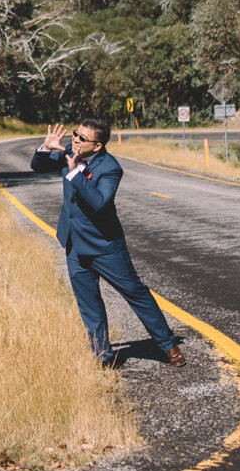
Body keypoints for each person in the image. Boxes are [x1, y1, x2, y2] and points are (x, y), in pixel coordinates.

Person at [33, 118, 185, 369]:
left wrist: (74, 172)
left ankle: (168, 345)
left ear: (98, 146)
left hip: (105, 247)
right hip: (74, 244)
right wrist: (46, 147)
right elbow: (37, 167)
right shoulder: (70, 153)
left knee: (136, 294)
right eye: (75, 135)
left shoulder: (110, 168)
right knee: (89, 304)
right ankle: (103, 356)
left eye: (83, 138)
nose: (76, 140)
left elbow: (100, 202)